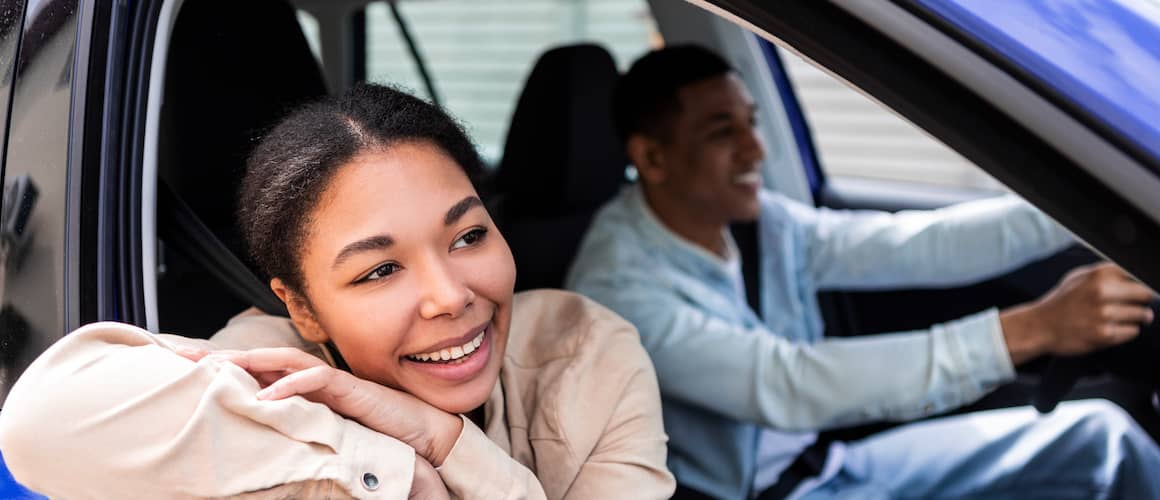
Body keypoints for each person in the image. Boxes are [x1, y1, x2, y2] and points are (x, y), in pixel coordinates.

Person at [0, 83, 675, 499]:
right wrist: (397, 474)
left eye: (467, 236)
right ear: (300, 307)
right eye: (379, 270)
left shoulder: (587, 351)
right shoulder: (278, 364)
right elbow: (41, 422)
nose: (449, 296)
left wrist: (441, 444)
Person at [566, 45, 1160, 499]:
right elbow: (787, 383)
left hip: (829, 466)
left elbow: (916, 245)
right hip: (755, 494)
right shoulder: (616, 292)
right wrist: (1034, 329)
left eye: (752, 122)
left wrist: (1096, 203)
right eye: (724, 133)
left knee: (1104, 439)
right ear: (651, 157)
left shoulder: (756, 222)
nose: (756, 150)